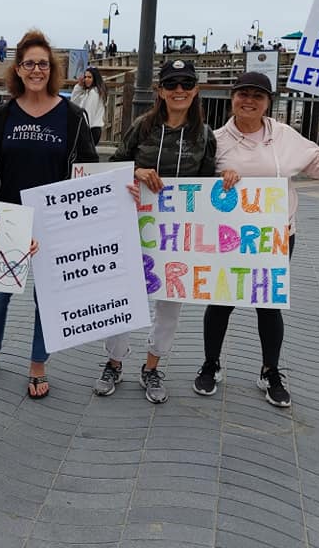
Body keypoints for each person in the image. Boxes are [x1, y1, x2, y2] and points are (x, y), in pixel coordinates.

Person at [197, 72, 319, 407]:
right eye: (242, 93)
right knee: (221, 300)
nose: (249, 101)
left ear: (268, 102)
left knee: (269, 305)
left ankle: (270, 370)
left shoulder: (285, 135)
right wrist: (218, 179)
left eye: (258, 96)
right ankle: (211, 363)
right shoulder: (215, 140)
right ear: (232, 98)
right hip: (229, 235)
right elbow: (195, 186)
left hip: (276, 236)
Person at [0, 29, 98, 398]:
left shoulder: (72, 116)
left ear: (51, 69)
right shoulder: (3, 115)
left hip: (54, 223)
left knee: (48, 298)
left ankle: (38, 363)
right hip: (10, 220)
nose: (36, 70)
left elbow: (87, 171)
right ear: (19, 69)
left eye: (42, 63)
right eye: (29, 64)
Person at [94, 59, 216, 403]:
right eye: (172, 84)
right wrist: (137, 171)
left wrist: (228, 179)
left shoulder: (205, 136)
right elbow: (115, 165)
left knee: (169, 307)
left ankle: (152, 367)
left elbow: (207, 187)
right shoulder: (142, 127)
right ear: (160, 90)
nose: (179, 91)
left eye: (186, 84)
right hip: (133, 228)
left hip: (178, 236)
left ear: (195, 91)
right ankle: (114, 361)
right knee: (122, 296)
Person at [70, 66, 106, 145]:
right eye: (85, 77)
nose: (86, 79)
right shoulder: (89, 92)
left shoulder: (93, 93)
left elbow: (89, 113)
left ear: (95, 78)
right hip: (90, 129)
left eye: (89, 77)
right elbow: (74, 103)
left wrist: (81, 130)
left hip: (90, 130)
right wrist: (79, 86)